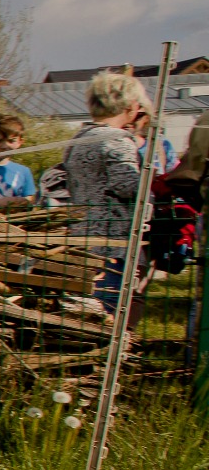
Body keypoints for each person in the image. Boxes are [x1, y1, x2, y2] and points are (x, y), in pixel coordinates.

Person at [63, 72, 151, 315]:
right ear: (131, 106)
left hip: (81, 235)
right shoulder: (119, 140)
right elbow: (127, 186)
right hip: (113, 242)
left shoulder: (78, 139)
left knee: (81, 309)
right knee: (107, 311)